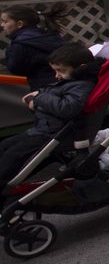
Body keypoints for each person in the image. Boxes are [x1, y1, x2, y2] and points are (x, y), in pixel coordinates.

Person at [0, 43, 100, 186]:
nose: (57, 75)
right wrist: (39, 96)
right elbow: (58, 98)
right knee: (5, 145)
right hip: (46, 128)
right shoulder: (73, 81)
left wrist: (38, 98)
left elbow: (67, 108)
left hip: (53, 132)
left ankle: (3, 185)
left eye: (61, 71)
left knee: (13, 155)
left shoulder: (81, 85)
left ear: (81, 68)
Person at [1, 3, 68, 92]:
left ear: (19, 24)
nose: (2, 25)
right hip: (66, 85)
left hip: (45, 89)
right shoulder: (47, 35)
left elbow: (16, 68)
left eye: (5, 21)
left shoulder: (22, 43)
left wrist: (10, 49)